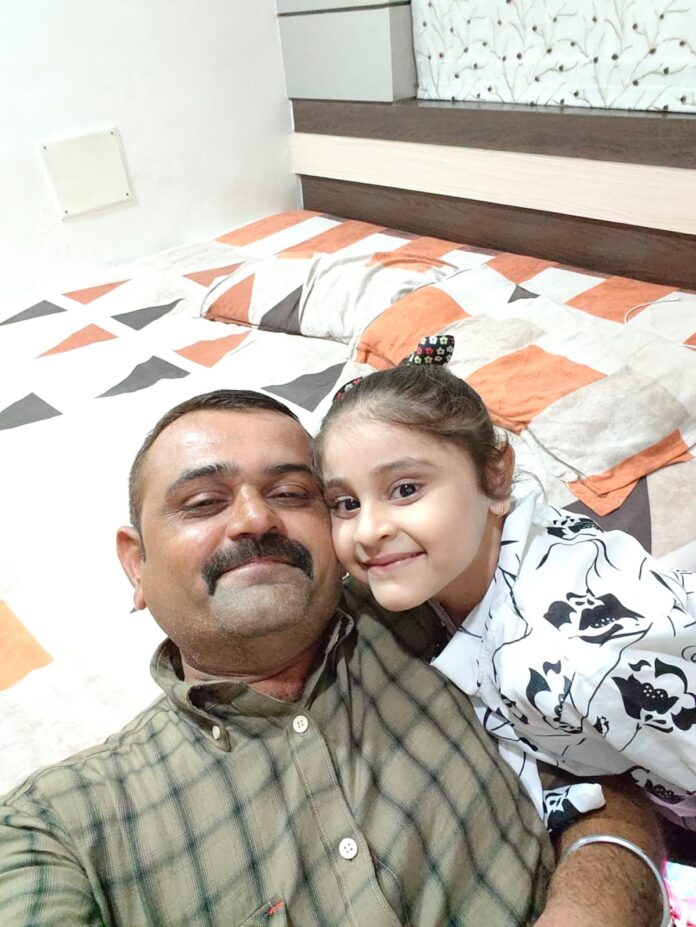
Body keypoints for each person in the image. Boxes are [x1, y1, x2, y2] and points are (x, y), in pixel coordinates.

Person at [0, 389, 666, 926]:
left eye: (294, 493)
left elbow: (605, 772)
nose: (255, 519)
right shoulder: (57, 826)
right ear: (136, 564)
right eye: (204, 502)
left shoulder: (441, 609)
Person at [315, 339, 696, 838]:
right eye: (345, 503)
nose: (368, 531)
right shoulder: (472, 559)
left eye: (405, 489)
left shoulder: (574, 666)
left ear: (496, 476)